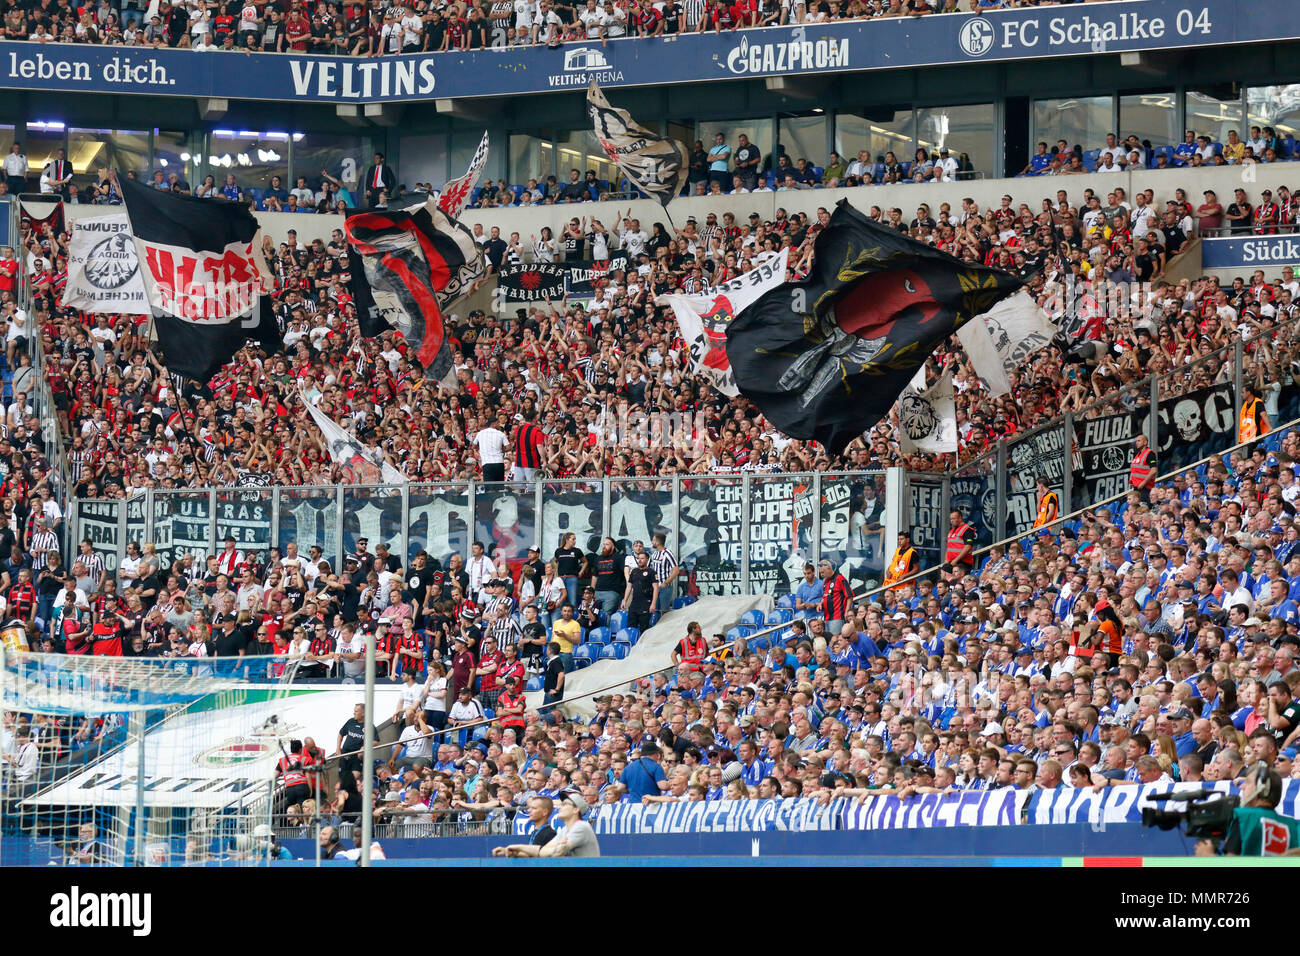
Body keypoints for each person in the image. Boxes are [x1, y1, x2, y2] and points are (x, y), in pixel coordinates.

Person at [1196, 764, 1299, 856]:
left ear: (1263, 788)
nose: (1242, 786)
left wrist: (1208, 855)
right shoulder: (1292, 825)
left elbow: (1230, 862)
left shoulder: (1244, 817)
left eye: (1248, 782)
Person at [491, 795, 557, 856]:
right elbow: (533, 855)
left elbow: (543, 855)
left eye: (534, 808)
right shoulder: (536, 832)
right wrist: (509, 852)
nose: (529, 810)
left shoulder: (550, 834)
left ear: (545, 812)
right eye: (529, 807)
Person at [539, 791, 599, 857]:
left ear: (575, 810)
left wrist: (558, 846)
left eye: (564, 805)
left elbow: (559, 852)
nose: (559, 807)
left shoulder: (582, 826)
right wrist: (558, 845)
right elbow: (542, 851)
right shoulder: (565, 829)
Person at [622, 550, 658, 633]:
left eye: (642, 558)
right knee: (630, 628)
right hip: (634, 604)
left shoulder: (651, 572)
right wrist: (625, 601)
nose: (640, 560)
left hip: (646, 603)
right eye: (638, 558)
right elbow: (629, 587)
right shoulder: (634, 571)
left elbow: (656, 588)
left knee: (644, 629)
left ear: (647, 560)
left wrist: (653, 604)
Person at [1129, 432, 1156, 503]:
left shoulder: (1150, 453)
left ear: (1145, 442)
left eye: (1139, 441)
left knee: (1143, 508)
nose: (1136, 443)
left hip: (1145, 488)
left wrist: (1143, 483)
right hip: (1136, 487)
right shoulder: (1138, 454)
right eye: (1136, 441)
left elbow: (1154, 470)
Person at [542, 640, 565, 709]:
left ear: (550, 651)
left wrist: (556, 689)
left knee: (549, 716)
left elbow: (561, 674)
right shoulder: (553, 661)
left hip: (553, 694)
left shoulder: (556, 661)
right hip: (550, 694)